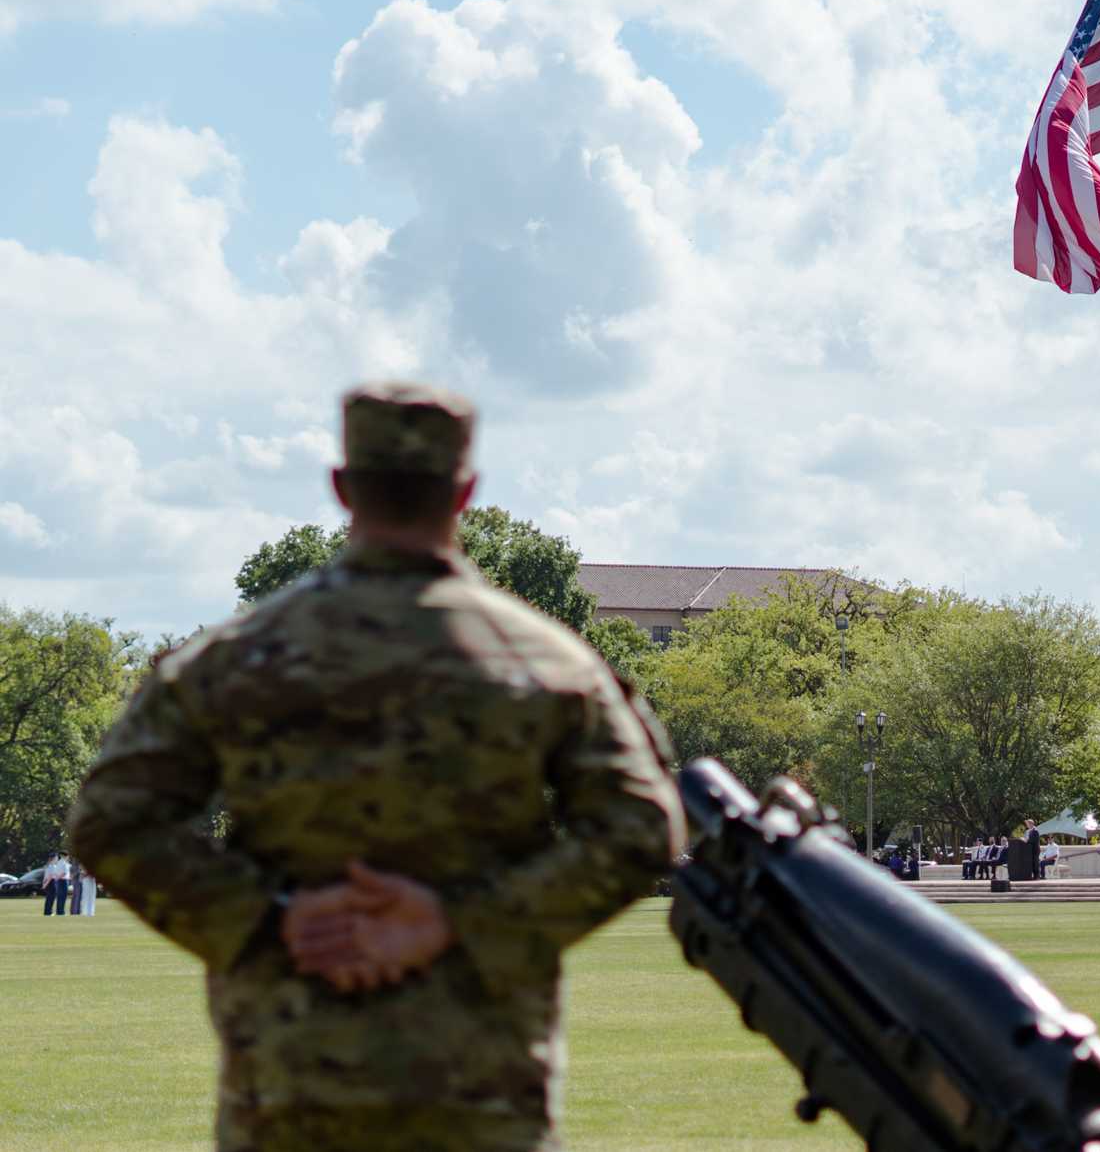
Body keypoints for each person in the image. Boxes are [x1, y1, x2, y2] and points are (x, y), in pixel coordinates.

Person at [69, 382, 683, 1152]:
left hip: (287, 1092)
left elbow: (110, 818)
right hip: (483, 1098)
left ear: (341, 486)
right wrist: (460, 918)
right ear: (464, 491)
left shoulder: (235, 657)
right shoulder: (547, 663)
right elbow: (643, 824)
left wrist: (269, 917)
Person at [43, 852, 69, 917]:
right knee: (50, 898)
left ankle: (48, 911)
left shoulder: (50, 866)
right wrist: (45, 884)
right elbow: (50, 876)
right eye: (56, 857)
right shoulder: (52, 866)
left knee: (49, 898)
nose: (57, 858)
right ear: (54, 858)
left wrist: (44, 883)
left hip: (50, 882)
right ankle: (48, 912)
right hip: (51, 882)